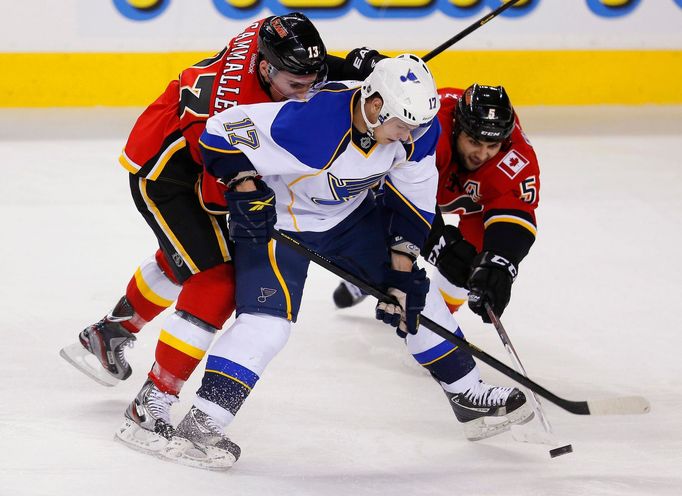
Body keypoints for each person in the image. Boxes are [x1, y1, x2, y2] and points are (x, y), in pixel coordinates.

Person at [150, 55, 532, 470]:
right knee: (268, 326)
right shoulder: (308, 126)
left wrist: (399, 275)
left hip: (349, 217)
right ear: (374, 106)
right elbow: (219, 131)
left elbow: (414, 204)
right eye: (403, 125)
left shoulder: (418, 131)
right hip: (281, 220)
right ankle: (202, 422)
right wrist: (243, 185)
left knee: (415, 294)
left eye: (418, 126)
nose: (412, 136)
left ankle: (467, 391)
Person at [58, 13, 387, 452]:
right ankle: (153, 397)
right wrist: (253, 198)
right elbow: (222, 185)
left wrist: (351, 67)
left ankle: (108, 333)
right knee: (217, 276)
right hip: (169, 173)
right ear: (266, 69)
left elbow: (300, 57)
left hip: (197, 163)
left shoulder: (271, 39)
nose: (306, 92)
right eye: (295, 85)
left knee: (185, 257)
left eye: (313, 78)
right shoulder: (226, 113)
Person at [333, 84, 540, 328]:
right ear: (457, 128)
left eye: (491, 146)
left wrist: (500, 265)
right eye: (474, 141)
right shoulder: (426, 129)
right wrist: (439, 245)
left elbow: (515, 214)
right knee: (392, 228)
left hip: (470, 196)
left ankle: (434, 319)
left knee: (473, 263)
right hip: (415, 183)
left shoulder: (516, 157)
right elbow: (395, 196)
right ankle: (380, 268)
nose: (482, 154)